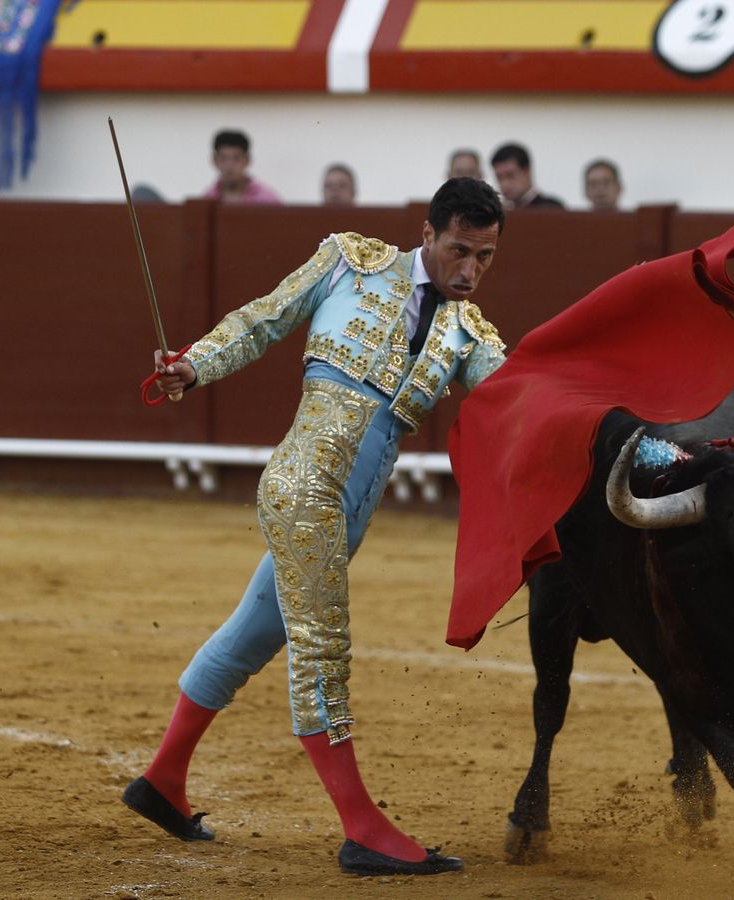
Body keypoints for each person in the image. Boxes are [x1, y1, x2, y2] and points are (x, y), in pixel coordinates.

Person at [129, 178, 509, 877]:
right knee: (322, 649)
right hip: (306, 487)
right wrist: (192, 365)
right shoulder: (349, 260)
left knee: (250, 635)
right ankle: (362, 827)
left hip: (349, 513)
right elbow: (263, 320)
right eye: (460, 250)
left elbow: (517, 402)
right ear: (427, 234)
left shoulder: (469, 332)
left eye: (484, 257)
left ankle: (162, 780)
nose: (470, 270)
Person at [200, 129, 283, 205]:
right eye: (223, 158)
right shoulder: (207, 199)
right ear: (214, 160)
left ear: (247, 160)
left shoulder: (267, 200)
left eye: (236, 158)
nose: (229, 165)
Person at [490, 142, 564, 210]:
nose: (504, 184)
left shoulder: (551, 209)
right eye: (499, 177)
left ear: (526, 172)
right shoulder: (500, 212)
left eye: (510, 175)